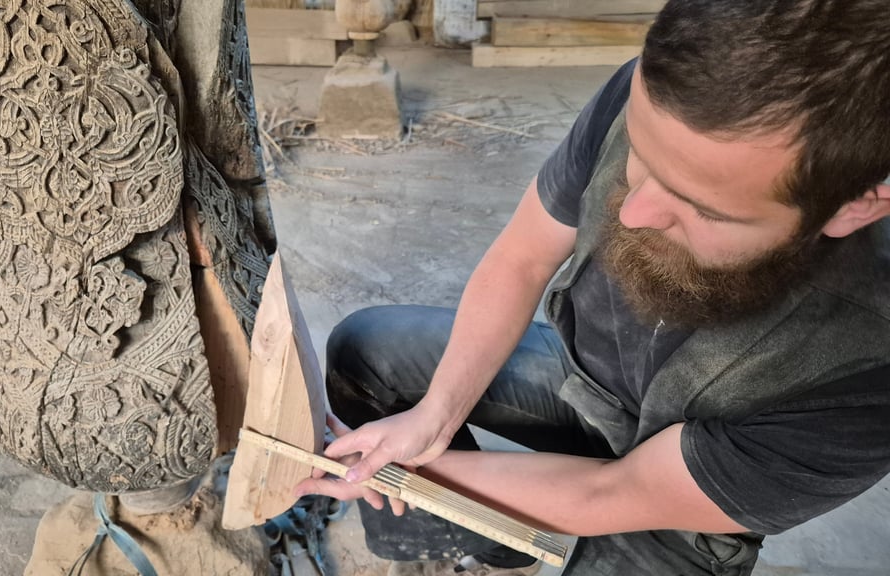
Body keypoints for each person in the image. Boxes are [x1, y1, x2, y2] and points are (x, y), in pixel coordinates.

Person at [295, 1, 890, 575]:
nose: (631, 214)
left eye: (702, 207)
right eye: (641, 156)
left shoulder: (866, 368)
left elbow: (611, 493)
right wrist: (435, 417)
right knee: (366, 351)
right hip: (582, 381)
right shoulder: (660, 95)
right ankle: (497, 549)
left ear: (855, 207)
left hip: (682, 498)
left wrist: (405, 475)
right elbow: (523, 259)